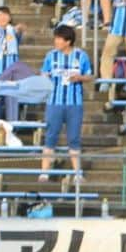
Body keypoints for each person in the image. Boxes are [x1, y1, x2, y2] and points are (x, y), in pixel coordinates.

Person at [39, 23, 93, 183]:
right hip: (54, 102)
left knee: (74, 138)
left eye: (59, 38)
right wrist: (45, 78)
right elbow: (44, 72)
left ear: (68, 41)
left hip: (74, 103)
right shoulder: (50, 56)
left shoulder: (81, 56)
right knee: (50, 136)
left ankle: (77, 173)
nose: (56, 41)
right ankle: (44, 172)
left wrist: (80, 78)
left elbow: (90, 75)